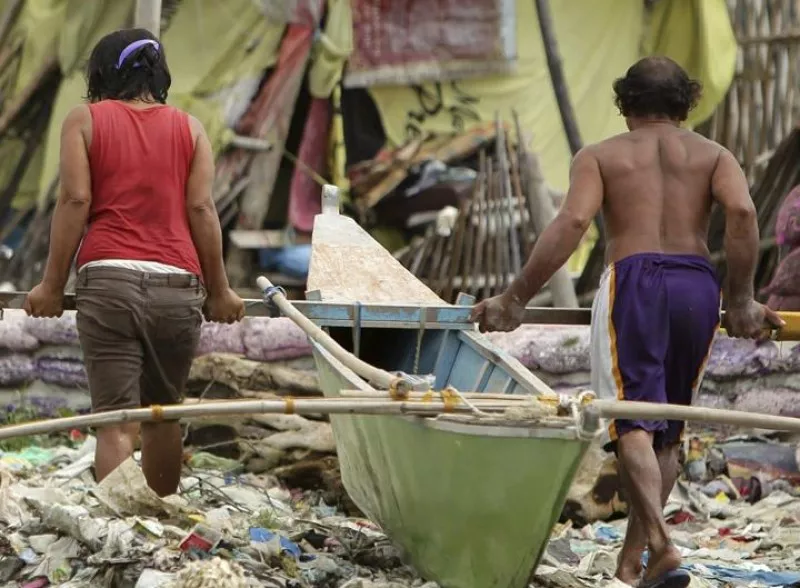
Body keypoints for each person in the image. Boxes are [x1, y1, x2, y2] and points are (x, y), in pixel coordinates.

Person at [471, 56, 784, 588]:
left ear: (624, 104)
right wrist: (741, 299)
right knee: (668, 428)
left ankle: (661, 547)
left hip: (636, 281)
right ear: (687, 103)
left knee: (632, 420)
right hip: (696, 286)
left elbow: (573, 220)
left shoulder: (600, 156)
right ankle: (631, 563)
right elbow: (743, 214)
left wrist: (515, 298)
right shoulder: (715, 155)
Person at [23, 28, 245, 497]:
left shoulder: (85, 120)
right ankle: (162, 524)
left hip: (109, 284)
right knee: (162, 415)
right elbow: (201, 209)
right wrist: (220, 291)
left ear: (102, 74)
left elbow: (75, 200)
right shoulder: (191, 128)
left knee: (117, 422)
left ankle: (123, 526)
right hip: (177, 286)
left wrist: (51, 286)